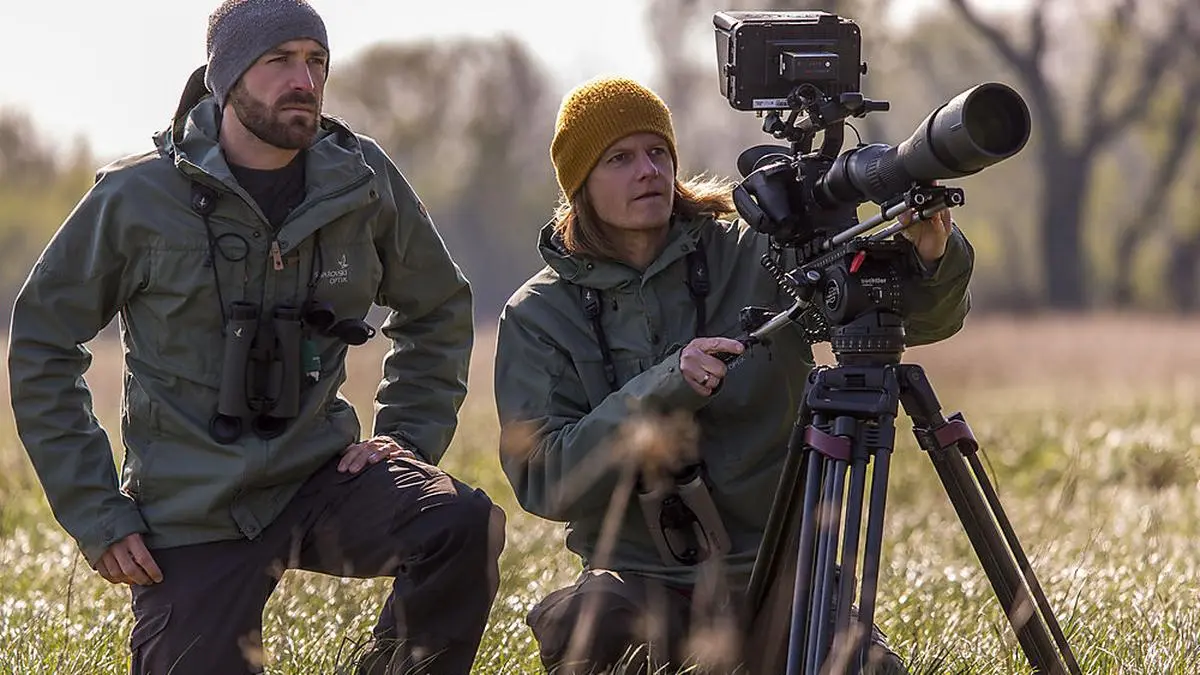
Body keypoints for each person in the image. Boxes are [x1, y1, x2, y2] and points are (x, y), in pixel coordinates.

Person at [6, 1, 505, 674]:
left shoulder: (360, 179)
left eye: (316, 61)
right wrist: (97, 512)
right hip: (191, 511)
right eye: (278, 60)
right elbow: (40, 343)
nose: (304, 79)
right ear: (227, 76)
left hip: (321, 476)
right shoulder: (137, 196)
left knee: (460, 523)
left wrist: (408, 439)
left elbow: (439, 306)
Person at [493, 76, 975, 674]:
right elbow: (544, 481)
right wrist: (665, 387)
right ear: (580, 185)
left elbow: (916, 320)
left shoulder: (756, 251)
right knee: (587, 630)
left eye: (658, 153)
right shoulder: (538, 314)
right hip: (644, 583)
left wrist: (932, 257)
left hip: (781, 576)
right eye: (619, 159)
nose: (648, 171)